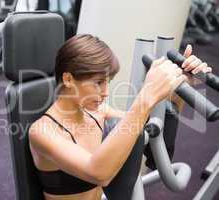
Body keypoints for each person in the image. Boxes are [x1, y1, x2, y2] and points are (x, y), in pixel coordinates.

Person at [28, 34, 212, 200]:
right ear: (68, 79)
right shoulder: (42, 132)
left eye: (108, 83)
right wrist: (145, 96)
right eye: (98, 83)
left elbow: (155, 130)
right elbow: (99, 173)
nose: (106, 92)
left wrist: (179, 84)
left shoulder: (97, 112)